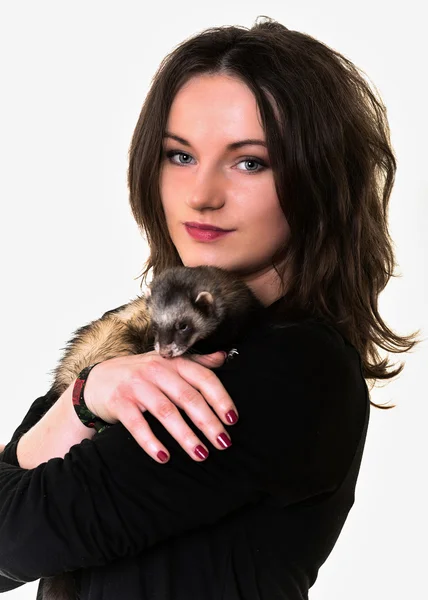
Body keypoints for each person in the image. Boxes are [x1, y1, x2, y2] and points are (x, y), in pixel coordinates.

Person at [0, 16, 421, 600]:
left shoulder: (293, 367)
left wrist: (73, 414)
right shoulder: (128, 349)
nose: (202, 194)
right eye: (180, 156)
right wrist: (88, 397)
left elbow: (15, 538)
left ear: (318, 180)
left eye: (251, 162)